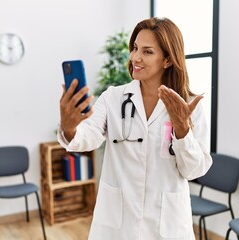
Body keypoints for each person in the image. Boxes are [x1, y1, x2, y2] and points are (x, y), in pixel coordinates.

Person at [58, 17, 213, 240]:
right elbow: (87, 136)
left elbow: (194, 170)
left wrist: (182, 131)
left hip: (165, 223)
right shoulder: (113, 97)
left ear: (167, 60)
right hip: (118, 223)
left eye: (147, 52)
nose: (135, 57)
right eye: (135, 48)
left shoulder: (188, 106)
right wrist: (69, 126)